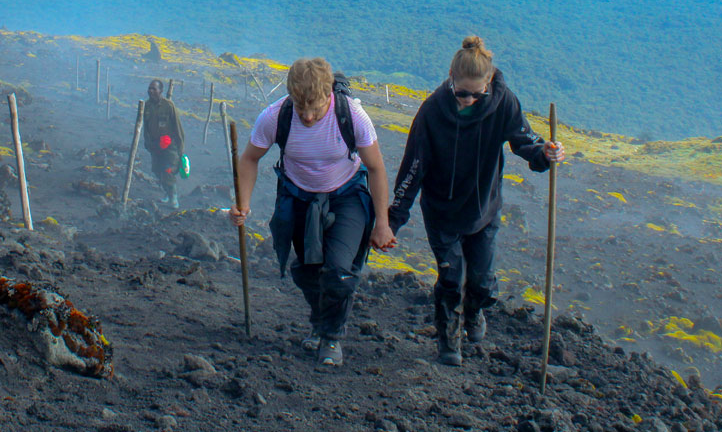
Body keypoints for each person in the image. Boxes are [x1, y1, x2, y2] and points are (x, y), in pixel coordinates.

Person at [388, 36, 565, 366]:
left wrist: (545, 152)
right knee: (451, 278)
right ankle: (448, 337)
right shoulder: (431, 113)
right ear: (451, 77)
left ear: (489, 83)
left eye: (476, 94)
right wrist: (392, 220)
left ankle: (474, 311)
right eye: (461, 93)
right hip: (442, 213)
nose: (468, 100)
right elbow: (413, 168)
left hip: (483, 209)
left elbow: (524, 142)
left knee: (483, 282)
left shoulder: (503, 104)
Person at [230, 57, 396, 367]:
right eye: (301, 108)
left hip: (347, 196)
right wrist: (243, 202)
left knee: (338, 271)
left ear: (329, 95)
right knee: (307, 273)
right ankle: (320, 322)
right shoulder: (276, 116)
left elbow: (375, 168)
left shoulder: (352, 115)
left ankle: (331, 338)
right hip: (300, 199)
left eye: (315, 109)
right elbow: (250, 159)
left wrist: (382, 223)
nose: (307, 116)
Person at [142, 78, 185, 209]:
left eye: (154, 88)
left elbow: (178, 128)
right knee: (156, 170)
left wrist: (180, 150)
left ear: (161, 91)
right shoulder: (146, 106)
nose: (151, 91)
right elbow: (146, 126)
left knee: (168, 170)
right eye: (149, 88)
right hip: (155, 145)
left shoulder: (168, 106)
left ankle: (173, 198)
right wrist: (148, 143)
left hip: (169, 146)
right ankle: (167, 193)